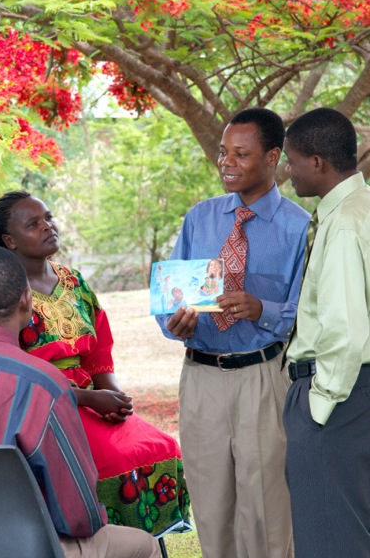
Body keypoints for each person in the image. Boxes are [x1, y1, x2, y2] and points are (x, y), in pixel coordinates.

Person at [0, 245, 160, 558]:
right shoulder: (43, 384)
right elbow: (77, 516)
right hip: (25, 546)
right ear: (27, 299)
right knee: (145, 545)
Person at [0, 192, 191, 537]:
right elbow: (12, 373)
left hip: (92, 401)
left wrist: (114, 397)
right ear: (8, 240)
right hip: (42, 409)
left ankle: (149, 543)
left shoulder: (74, 282)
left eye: (48, 217)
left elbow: (99, 351)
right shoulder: (3, 291)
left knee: (163, 446)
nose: (47, 226)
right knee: (117, 460)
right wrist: (89, 400)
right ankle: (111, 540)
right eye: (33, 224)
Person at [156, 108, 310, 558]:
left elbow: (308, 311)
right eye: (223, 153)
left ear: (273, 158)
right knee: (211, 506)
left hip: (262, 378)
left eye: (241, 154)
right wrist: (173, 322)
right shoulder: (198, 219)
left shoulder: (300, 228)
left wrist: (264, 309)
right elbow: (170, 300)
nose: (226, 163)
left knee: (266, 510)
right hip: (201, 377)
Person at [282, 107, 370, 557]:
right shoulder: (360, 207)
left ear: (317, 162)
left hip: (339, 398)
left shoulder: (345, 224)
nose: (288, 171)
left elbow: (346, 328)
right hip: (356, 393)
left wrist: (319, 406)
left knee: (330, 538)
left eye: (292, 160)